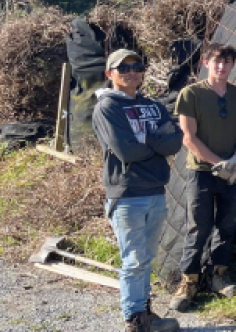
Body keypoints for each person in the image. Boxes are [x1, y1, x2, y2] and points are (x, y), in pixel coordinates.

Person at [93, 49, 182, 332]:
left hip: (156, 190)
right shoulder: (107, 107)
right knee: (133, 260)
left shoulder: (153, 106)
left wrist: (147, 140)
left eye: (137, 66)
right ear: (110, 74)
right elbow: (126, 150)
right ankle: (134, 319)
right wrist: (156, 140)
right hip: (127, 193)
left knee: (147, 258)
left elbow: (175, 143)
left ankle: (145, 311)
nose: (131, 72)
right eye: (123, 68)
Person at [169, 43, 236, 311]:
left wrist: (233, 162)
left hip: (232, 171)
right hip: (202, 172)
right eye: (217, 61)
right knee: (198, 226)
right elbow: (189, 137)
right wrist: (218, 163)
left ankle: (218, 274)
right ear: (206, 62)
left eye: (227, 62)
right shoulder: (191, 94)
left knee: (228, 224)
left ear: (233, 65)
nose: (222, 66)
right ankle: (189, 281)